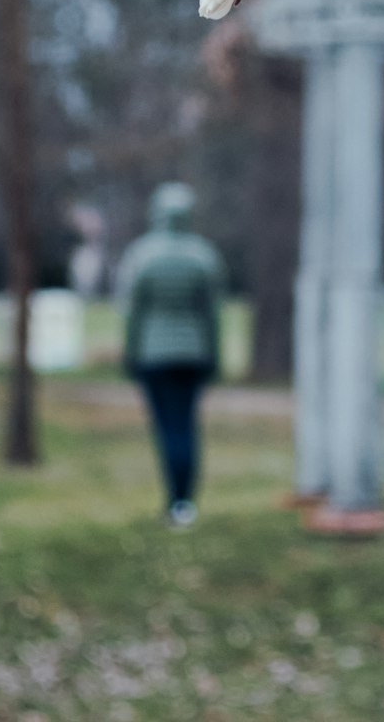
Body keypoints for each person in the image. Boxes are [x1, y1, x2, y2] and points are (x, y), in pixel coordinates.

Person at [118, 182, 225, 526]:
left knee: (167, 429)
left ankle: (175, 501)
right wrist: (214, 357)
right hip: (193, 355)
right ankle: (184, 501)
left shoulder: (142, 256)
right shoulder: (203, 256)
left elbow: (133, 314)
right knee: (187, 426)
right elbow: (212, 315)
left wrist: (130, 354)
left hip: (154, 355)